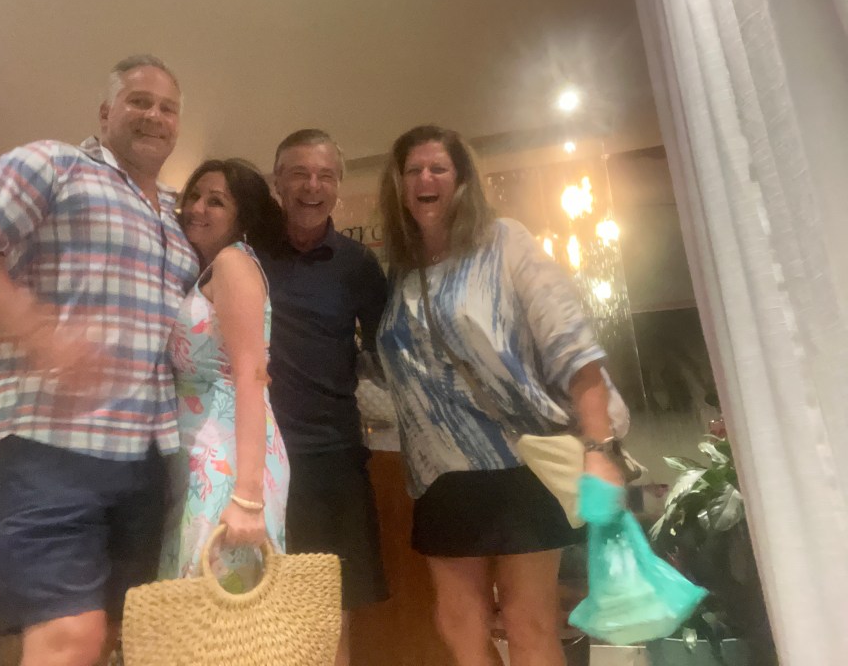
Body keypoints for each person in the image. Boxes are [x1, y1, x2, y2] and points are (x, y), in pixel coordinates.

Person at [0, 55, 199, 666]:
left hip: (148, 459)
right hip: (50, 446)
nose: (155, 116)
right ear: (105, 112)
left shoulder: (177, 219)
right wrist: (41, 334)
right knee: (70, 639)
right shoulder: (53, 163)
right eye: (139, 101)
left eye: (168, 108)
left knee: (113, 637)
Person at [375, 125, 626, 666]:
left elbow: (571, 344)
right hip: (440, 476)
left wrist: (600, 448)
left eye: (438, 168)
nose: (425, 179)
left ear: (462, 180)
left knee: (526, 621)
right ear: (398, 187)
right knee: (457, 622)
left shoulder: (504, 242)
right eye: (413, 170)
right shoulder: (401, 273)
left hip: (519, 462)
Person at [257, 128, 389, 666]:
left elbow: (386, 355)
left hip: (334, 459)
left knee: (333, 610)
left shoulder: (358, 265)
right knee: (256, 609)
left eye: (325, 175)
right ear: (277, 181)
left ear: (338, 185)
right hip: (256, 460)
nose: (312, 186)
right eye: (299, 174)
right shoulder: (247, 254)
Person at [158, 158, 289, 592]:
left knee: (216, 600)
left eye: (216, 201)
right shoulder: (208, 269)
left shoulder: (233, 263)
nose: (197, 207)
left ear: (242, 217)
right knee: (195, 601)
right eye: (194, 196)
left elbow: (251, 375)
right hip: (202, 452)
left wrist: (247, 497)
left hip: (229, 457)